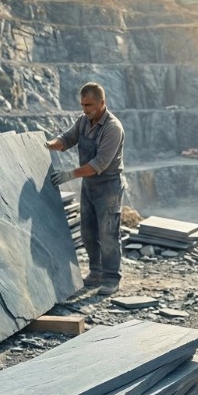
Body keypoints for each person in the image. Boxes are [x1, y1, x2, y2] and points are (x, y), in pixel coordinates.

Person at [46, 82, 125, 296]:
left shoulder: (112, 128)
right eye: (82, 105)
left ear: (102, 102)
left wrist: (69, 175)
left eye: (89, 105)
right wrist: (48, 144)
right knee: (88, 232)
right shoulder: (83, 121)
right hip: (89, 185)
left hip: (108, 187)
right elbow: (66, 139)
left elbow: (99, 164)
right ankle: (96, 272)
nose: (85, 109)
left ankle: (111, 278)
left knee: (108, 233)